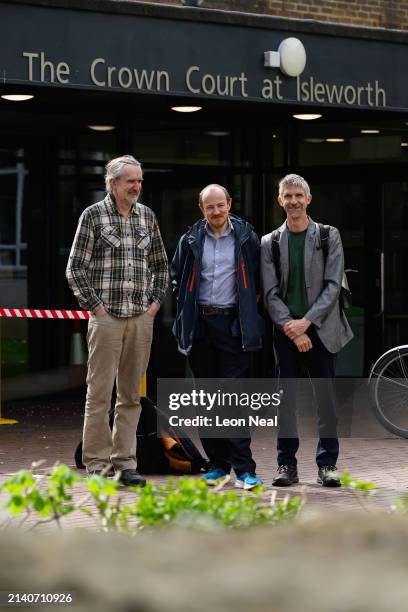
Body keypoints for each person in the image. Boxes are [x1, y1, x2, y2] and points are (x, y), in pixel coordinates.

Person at [66, 155, 168, 486]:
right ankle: (96, 463)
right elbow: (75, 267)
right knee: (98, 394)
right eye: (130, 181)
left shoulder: (146, 217)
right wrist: (95, 307)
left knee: (131, 396)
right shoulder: (93, 216)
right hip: (106, 317)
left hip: (141, 318)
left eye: (139, 180)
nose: (136, 186)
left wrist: (154, 305)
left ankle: (125, 463)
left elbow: (162, 266)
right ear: (113, 183)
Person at [261, 173, 353, 487]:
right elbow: (270, 293)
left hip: (322, 330)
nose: (293, 201)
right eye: (287, 196)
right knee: (285, 401)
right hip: (287, 332)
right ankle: (286, 464)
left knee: (325, 401)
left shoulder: (329, 236)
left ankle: (327, 465)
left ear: (308, 199)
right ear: (280, 201)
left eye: (298, 196)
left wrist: (307, 323)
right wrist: (293, 328)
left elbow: (332, 286)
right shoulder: (269, 242)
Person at [171, 183, 263, 490]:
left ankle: (245, 470)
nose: (216, 211)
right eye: (209, 207)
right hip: (201, 326)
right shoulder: (190, 240)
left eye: (220, 205)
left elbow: (259, 280)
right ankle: (218, 465)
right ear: (202, 209)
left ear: (230, 204)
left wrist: (249, 312)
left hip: (232, 325)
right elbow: (177, 276)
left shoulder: (247, 237)